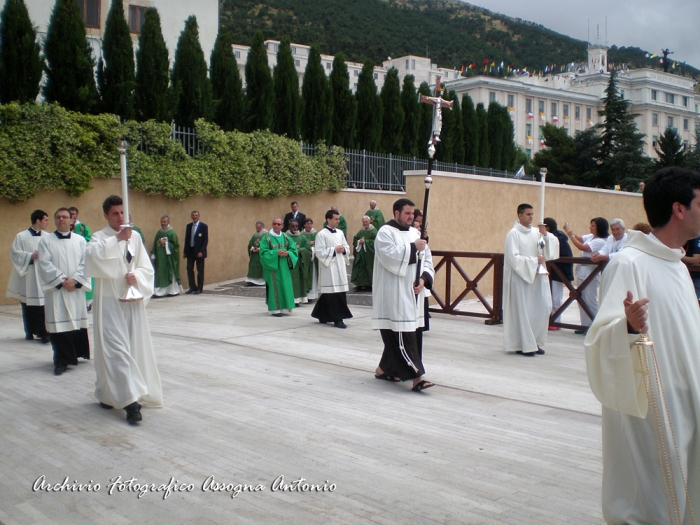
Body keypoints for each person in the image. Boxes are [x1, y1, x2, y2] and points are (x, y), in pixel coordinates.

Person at [584, 167, 700, 524]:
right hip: (651, 406)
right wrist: (629, 328)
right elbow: (600, 340)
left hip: (687, 398)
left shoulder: (677, 265)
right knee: (652, 496)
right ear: (679, 209)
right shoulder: (628, 263)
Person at [84, 195, 163, 424]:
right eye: (115, 214)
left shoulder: (135, 237)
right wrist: (117, 239)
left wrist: (136, 276)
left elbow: (145, 267)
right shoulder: (100, 238)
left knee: (133, 348)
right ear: (106, 216)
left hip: (132, 302)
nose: (120, 217)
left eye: (123, 213)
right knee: (115, 350)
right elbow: (91, 257)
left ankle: (112, 394)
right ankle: (131, 404)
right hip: (109, 302)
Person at [372, 198, 435, 391]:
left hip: (413, 294)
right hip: (394, 294)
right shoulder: (385, 233)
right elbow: (390, 257)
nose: (410, 217)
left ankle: (384, 369)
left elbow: (427, 259)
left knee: (412, 334)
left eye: (412, 213)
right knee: (402, 337)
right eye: (407, 213)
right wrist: (414, 247)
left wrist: (423, 279)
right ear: (396, 213)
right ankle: (417, 378)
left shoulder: (416, 233)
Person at [38, 208, 91, 375]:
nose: (61, 220)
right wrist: (62, 280)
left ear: (71, 220)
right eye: (58, 217)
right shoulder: (46, 241)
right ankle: (61, 360)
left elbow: (86, 262)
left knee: (76, 322)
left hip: (74, 289)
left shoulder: (81, 240)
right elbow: (44, 264)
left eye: (64, 217)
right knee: (58, 323)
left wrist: (75, 281)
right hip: (57, 291)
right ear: (55, 220)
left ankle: (76, 353)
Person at [503, 204, 559, 356]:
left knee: (542, 308)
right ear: (520, 215)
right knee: (524, 311)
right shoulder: (513, 234)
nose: (531, 217)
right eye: (528, 214)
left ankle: (535, 342)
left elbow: (551, 249)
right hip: (521, 279)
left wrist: (546, 235)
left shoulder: (537, 232)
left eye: (532, 214)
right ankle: (523, 344)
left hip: (538, 277)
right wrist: (534, 261)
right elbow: (512, 258)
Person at [6, 210, 51, 343]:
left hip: (42, 275)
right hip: (29, 276)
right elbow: (15, 253)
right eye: (46, 220)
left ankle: (43, 332)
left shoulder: (48, 237)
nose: (48, 223)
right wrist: (31, 256)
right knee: (28, 304)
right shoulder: (21, 236)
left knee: (43, 305)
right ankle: (29, 330)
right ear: (38, 221)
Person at [564, 217, 609, 333]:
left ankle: (593, 326)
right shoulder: (590, 237)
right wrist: (570, 231)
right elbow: (580, 239)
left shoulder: (601, 241)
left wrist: (570, 236)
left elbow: (583, 247)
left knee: (590, 300)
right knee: (581, 298)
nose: (590, 228)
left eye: (593, 226)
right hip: (582, 271)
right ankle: (584, 325)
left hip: (591, 272)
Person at [311, 209, 353, 328]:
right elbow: (319, 252)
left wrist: (344, 250)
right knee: (331, 293)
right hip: (328, 267)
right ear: (328, 220)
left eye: (338, 219)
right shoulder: (321, 234)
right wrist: (334, 250)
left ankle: (322, 314)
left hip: (339, 265)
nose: (338, 221)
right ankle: (337, 318)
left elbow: (346, 246)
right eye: (336, 219)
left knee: (335, 292)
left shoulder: (340, 233)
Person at [260, 217, 298, 316]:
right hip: (273, 267)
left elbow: (294, 250)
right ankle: (275, 309)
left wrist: (288, 253)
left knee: (285, 285)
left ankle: (285, 308)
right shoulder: (266, 238)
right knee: (275, 286)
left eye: (278, 224)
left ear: (282, 226)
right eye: (274, 224)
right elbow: (263, 253)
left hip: (284, 267)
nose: (276, 226)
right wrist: (276, 253)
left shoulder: (286, 237)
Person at [543, 217, 573, 330]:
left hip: (558, 272)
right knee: (550, 297)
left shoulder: (559, 238)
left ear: (548, 227)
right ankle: (552, 320)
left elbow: (564, 256)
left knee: (556, 298)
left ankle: (556, 321)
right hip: (553, 272)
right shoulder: (553, 238)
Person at [151, 215, 183, 297]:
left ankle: (172, 291)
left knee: (170, 274)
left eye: (164, 222)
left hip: (169, 259)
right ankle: (160, 292)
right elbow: (155, 244)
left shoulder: (171, 232)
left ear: (168, 222)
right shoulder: (159, 232)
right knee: (160, 275)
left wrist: (165, 243)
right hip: (160, 259)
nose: (163, 223)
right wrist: (153, 254)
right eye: (161, 222)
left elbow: (176, 246)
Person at [70, 207, 94, 311]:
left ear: (77, 215)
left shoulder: (83, 227)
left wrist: (78, 241)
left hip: (81, 254)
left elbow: (89, 238)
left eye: (74, 214)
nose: (73, 216)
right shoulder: (65, 226)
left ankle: (87, 303)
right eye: (71, 213)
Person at [287, 220, 311, 305]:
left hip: (298, 264)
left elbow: (308, 248)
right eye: (293, 226)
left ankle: (297, 300)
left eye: (296, 226)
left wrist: (300, 251)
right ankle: (289, 300)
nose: (295, 228)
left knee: (298, 282)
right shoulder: (285, 237)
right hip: (288, 263)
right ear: (289, 227)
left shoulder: (302, 237)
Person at [184, 210, 208, 295]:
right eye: (193, 215)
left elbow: (205, 240)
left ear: (199, 216)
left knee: (200, 270)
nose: (194, 217)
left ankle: (199, 288)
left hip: (199, 252)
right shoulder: (189, 226)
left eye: (196, 215)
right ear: (191, 216)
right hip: (190, 251)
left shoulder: (203, 226)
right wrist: (185, 252)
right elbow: (187, 239)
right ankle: (192, 287)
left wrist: (202, 251)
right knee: (189, 268)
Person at [351, 216, 377, 292]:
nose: (365, 223)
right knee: (360, 267)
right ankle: (360, 284)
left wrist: (365, 242)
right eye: (363, 222)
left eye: (366, 222)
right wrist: (359, 241)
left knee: (370, 268)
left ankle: (370, 285)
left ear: (369, 222)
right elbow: (355, 239)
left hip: (370, 255)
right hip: (361, 255)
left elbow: (376, 242)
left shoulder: (374, 231)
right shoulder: (361, 231)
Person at [301, 218, 318, 302]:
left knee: (313, 276)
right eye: (307, 224)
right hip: (304, 259)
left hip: (313, 259)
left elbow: (319, 244)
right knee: (305, 275)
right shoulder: (301, 235)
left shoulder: (316, 234)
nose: (309, 225)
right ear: (304, 225)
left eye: (310, 223)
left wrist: (313, 248)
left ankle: (312, 295)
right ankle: (305, 295)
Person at [246, 221, 267, 286]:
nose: (257, 229)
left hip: (262, 255)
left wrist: (260, 249)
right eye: (256, 228)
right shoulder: (255, 235)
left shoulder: (266, 235)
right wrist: (252, 248)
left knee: (261, 267)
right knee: (253, 267)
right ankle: (252, 280)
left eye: (258, 228)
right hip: (255, 256)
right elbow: (250, 243)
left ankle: (262, 280)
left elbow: (268, 245)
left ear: (262, 227)